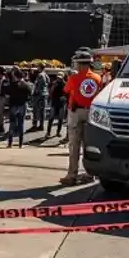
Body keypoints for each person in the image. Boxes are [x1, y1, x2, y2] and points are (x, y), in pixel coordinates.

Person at [61, 49, 103, 184]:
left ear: (79, 64)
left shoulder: (74, 78)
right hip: (91, 113)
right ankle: (90, 174)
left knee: (74, 145)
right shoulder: (98, 78)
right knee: (89, 144)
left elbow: (66, 90)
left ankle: (72, 175)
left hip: (76, 112)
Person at [6, 67, 33, 147]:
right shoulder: (27, 85)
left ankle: (10, 143)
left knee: (12, 124)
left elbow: (8, 93)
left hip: (13, 105)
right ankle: (20, 143)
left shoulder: (12, 85)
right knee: (21, 124)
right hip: (22, 105)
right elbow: (30, 95)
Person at [47, 69, 68, 139]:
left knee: (60, 118)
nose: (59, 79)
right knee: (51, 118)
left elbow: (67, 93)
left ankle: (58, 132)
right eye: (58, 77)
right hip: (54, 102)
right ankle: (48, 132)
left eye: (60, 78)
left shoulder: (65, 84)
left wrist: (64, 97)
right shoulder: (54, 83)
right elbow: (50, 92)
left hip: (61, 103)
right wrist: (53, 86)